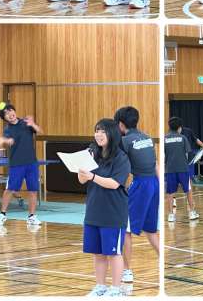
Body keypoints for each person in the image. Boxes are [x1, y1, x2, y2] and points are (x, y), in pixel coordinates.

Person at [78, 119, 131, 297]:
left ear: (112, 134)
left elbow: (114, 183)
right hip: (94, 211)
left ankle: (115, 289)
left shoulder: (121, 158)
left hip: (113, 213)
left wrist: (92, 176)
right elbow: (81, 180)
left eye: (102, 131)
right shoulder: (93, 154)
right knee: (98, 253)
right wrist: (82, 169)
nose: (98, 135)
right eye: (96, 131)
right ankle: (100, 286)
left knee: (113, 253)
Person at [114, 106, 159, 284]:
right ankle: (164, 260)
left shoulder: (125, 141)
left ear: (120, 124)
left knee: (126, 229)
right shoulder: (147, 137)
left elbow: (120, 166)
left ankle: (127, 271)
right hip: (154, 184)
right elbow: (155, 164)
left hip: (140, 184)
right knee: (151, 229)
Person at [0, 102, 43, 227]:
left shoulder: (26, 123)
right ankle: (2, 214)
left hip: (31, 163)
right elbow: (5, 140)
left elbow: (40, 131)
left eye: (10, 110)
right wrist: (5, 140)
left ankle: (31, 217)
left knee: (33, 190)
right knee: (10, 189)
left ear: (14, 111)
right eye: (6, 114)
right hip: (17, 164)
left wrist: (33, 124)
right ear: (5, 118)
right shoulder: (8, 129)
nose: (10, 114)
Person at [165, 117, 199, 222]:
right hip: (183, 169)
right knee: (188, 190)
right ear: (179, 128)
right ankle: (192, 212)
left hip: (170, 170)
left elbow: (164, 154)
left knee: (170, 192)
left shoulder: (165, 138)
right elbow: (188, 153)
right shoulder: (183, 138)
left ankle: (171, 215)